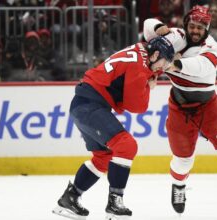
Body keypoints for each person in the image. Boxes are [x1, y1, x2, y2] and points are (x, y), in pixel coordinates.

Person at [144, 5, 217, 215]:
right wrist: (160, 29)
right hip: (179, 108)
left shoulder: (214, 47)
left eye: (200, 28)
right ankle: (178, 186)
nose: (195, 31)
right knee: (183, 161)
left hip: (208, 106)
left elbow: (202, 66)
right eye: (192, 26)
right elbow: (148, 26)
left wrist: (172, 65)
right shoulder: (176, 36)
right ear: (186, 25)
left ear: (207, 29)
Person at [52, 36, 175, 220]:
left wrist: (152, 72)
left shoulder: (140, 49)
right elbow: (136, 107)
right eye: (164, 62)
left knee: (103, 157)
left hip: (83, 103)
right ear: (156, 54)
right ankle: (115, 203)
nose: (163, 68)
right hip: (90, 106)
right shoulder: (140, 68)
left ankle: (70, 199)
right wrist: (149, 86)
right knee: (126, 145)